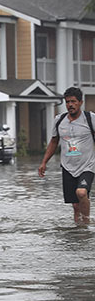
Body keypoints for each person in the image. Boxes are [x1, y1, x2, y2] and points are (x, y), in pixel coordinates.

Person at [38, 87, 95, 224]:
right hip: (68, 167)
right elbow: (54, 141)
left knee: (81, 193)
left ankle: (87, 224)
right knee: (75, 206)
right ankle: (77, 235)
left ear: (80, 102)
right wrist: (44, 162)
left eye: (73, 101)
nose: (70, 105)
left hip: (87, 165)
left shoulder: (90, 119)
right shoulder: (59, 120)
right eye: (67, 102)